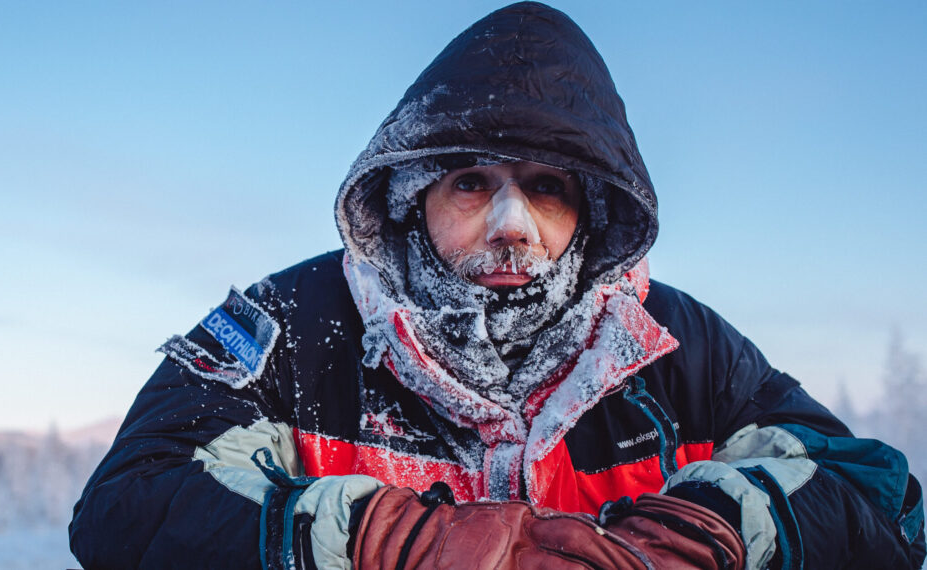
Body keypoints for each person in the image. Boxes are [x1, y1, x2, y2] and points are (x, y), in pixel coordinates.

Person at [69, 3, 925, 569]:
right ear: (413, 197)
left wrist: (710, 533)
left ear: (590, 211)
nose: (512, 223)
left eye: (548, 186)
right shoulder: (289, 326)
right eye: (472, 182)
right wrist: (377, 538)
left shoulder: (678, 345)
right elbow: (127, 505)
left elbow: (882, 498)